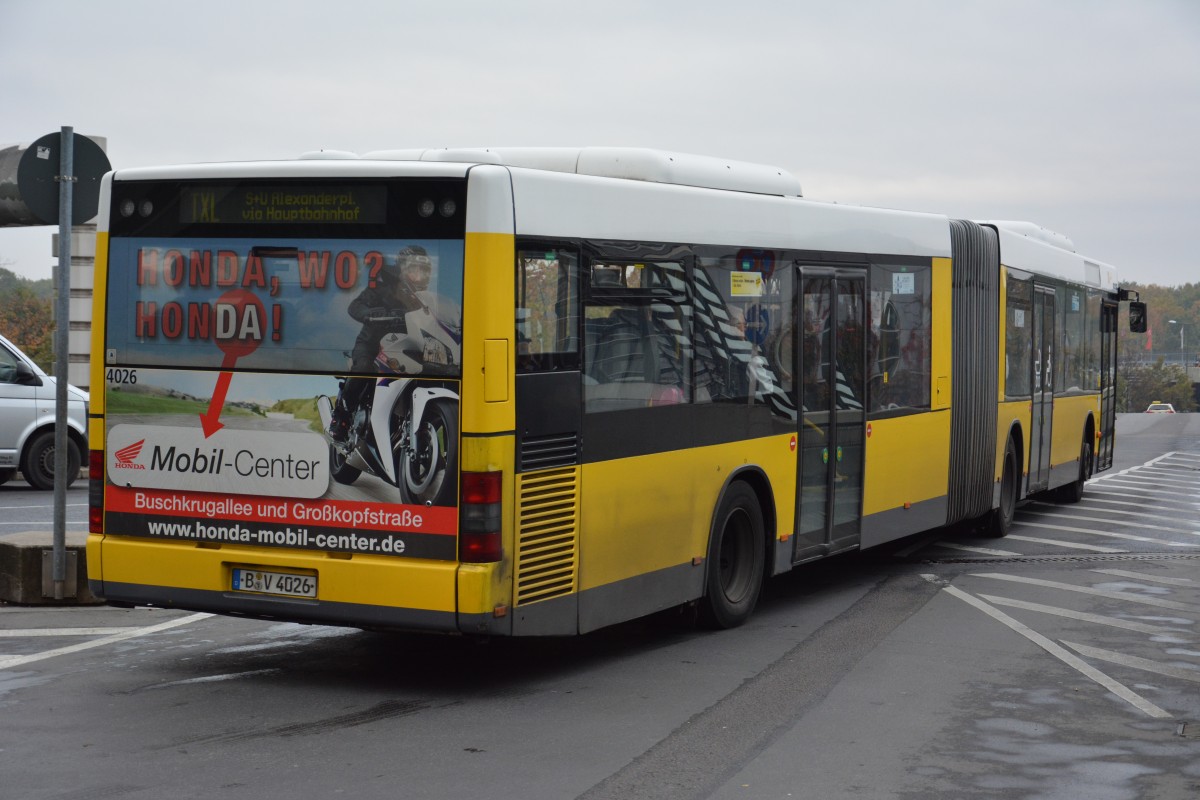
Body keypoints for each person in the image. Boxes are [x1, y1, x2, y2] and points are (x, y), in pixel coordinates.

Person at [328, 245, 434, 442]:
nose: (419, 275)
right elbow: (355, 306)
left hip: (407, 347)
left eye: (423, 270)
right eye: (414, 269)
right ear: (403, 269)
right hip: (373, 345)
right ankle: (341, 415)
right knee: (364, 368)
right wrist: (370, 314)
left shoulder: (427, 299)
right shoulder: (382, 288)